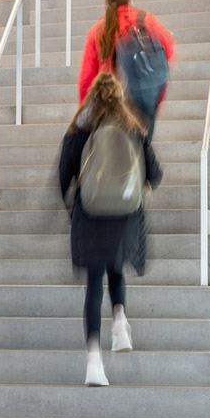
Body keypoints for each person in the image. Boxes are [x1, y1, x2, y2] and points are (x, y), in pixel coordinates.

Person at [58, 73, 162, 387]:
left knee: (94, 284)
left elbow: (63, 177)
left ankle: (94, 363)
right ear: (119, 98)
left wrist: (73, 209)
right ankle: (120, 321)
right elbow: (155, 174)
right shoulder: (133, 128)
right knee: (115, 270)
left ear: (92, 97)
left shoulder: (79, 130)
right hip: (125, 215)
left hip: (90, 215)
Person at [77, 0, 176, 139]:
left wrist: (85, 110)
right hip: (142, 98)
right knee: (141, 148)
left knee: (112, 149)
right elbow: (167, 51)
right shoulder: (146, 20)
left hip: (109, 101)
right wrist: (157, 95)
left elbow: (86, 78)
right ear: (130, 0)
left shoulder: (97, 30)